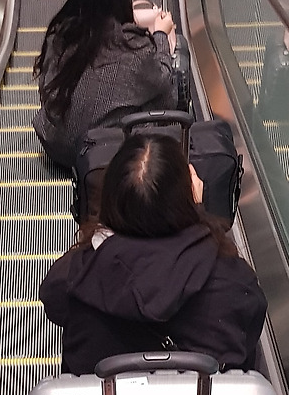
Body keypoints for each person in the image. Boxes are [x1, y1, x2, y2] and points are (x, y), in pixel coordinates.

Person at [40, 132, 267, 375]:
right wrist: (200, 213)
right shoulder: (237, 281)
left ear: (110, 199)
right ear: (187, 198)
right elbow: (249, 330)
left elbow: (53, 301)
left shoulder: (76, 276)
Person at [33, 0, 179, 169]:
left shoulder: (60, 37)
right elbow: (163, 79)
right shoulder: (134, 47)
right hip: (102, 150)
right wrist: (160, 35)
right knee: (164, 88)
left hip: (57, 145)